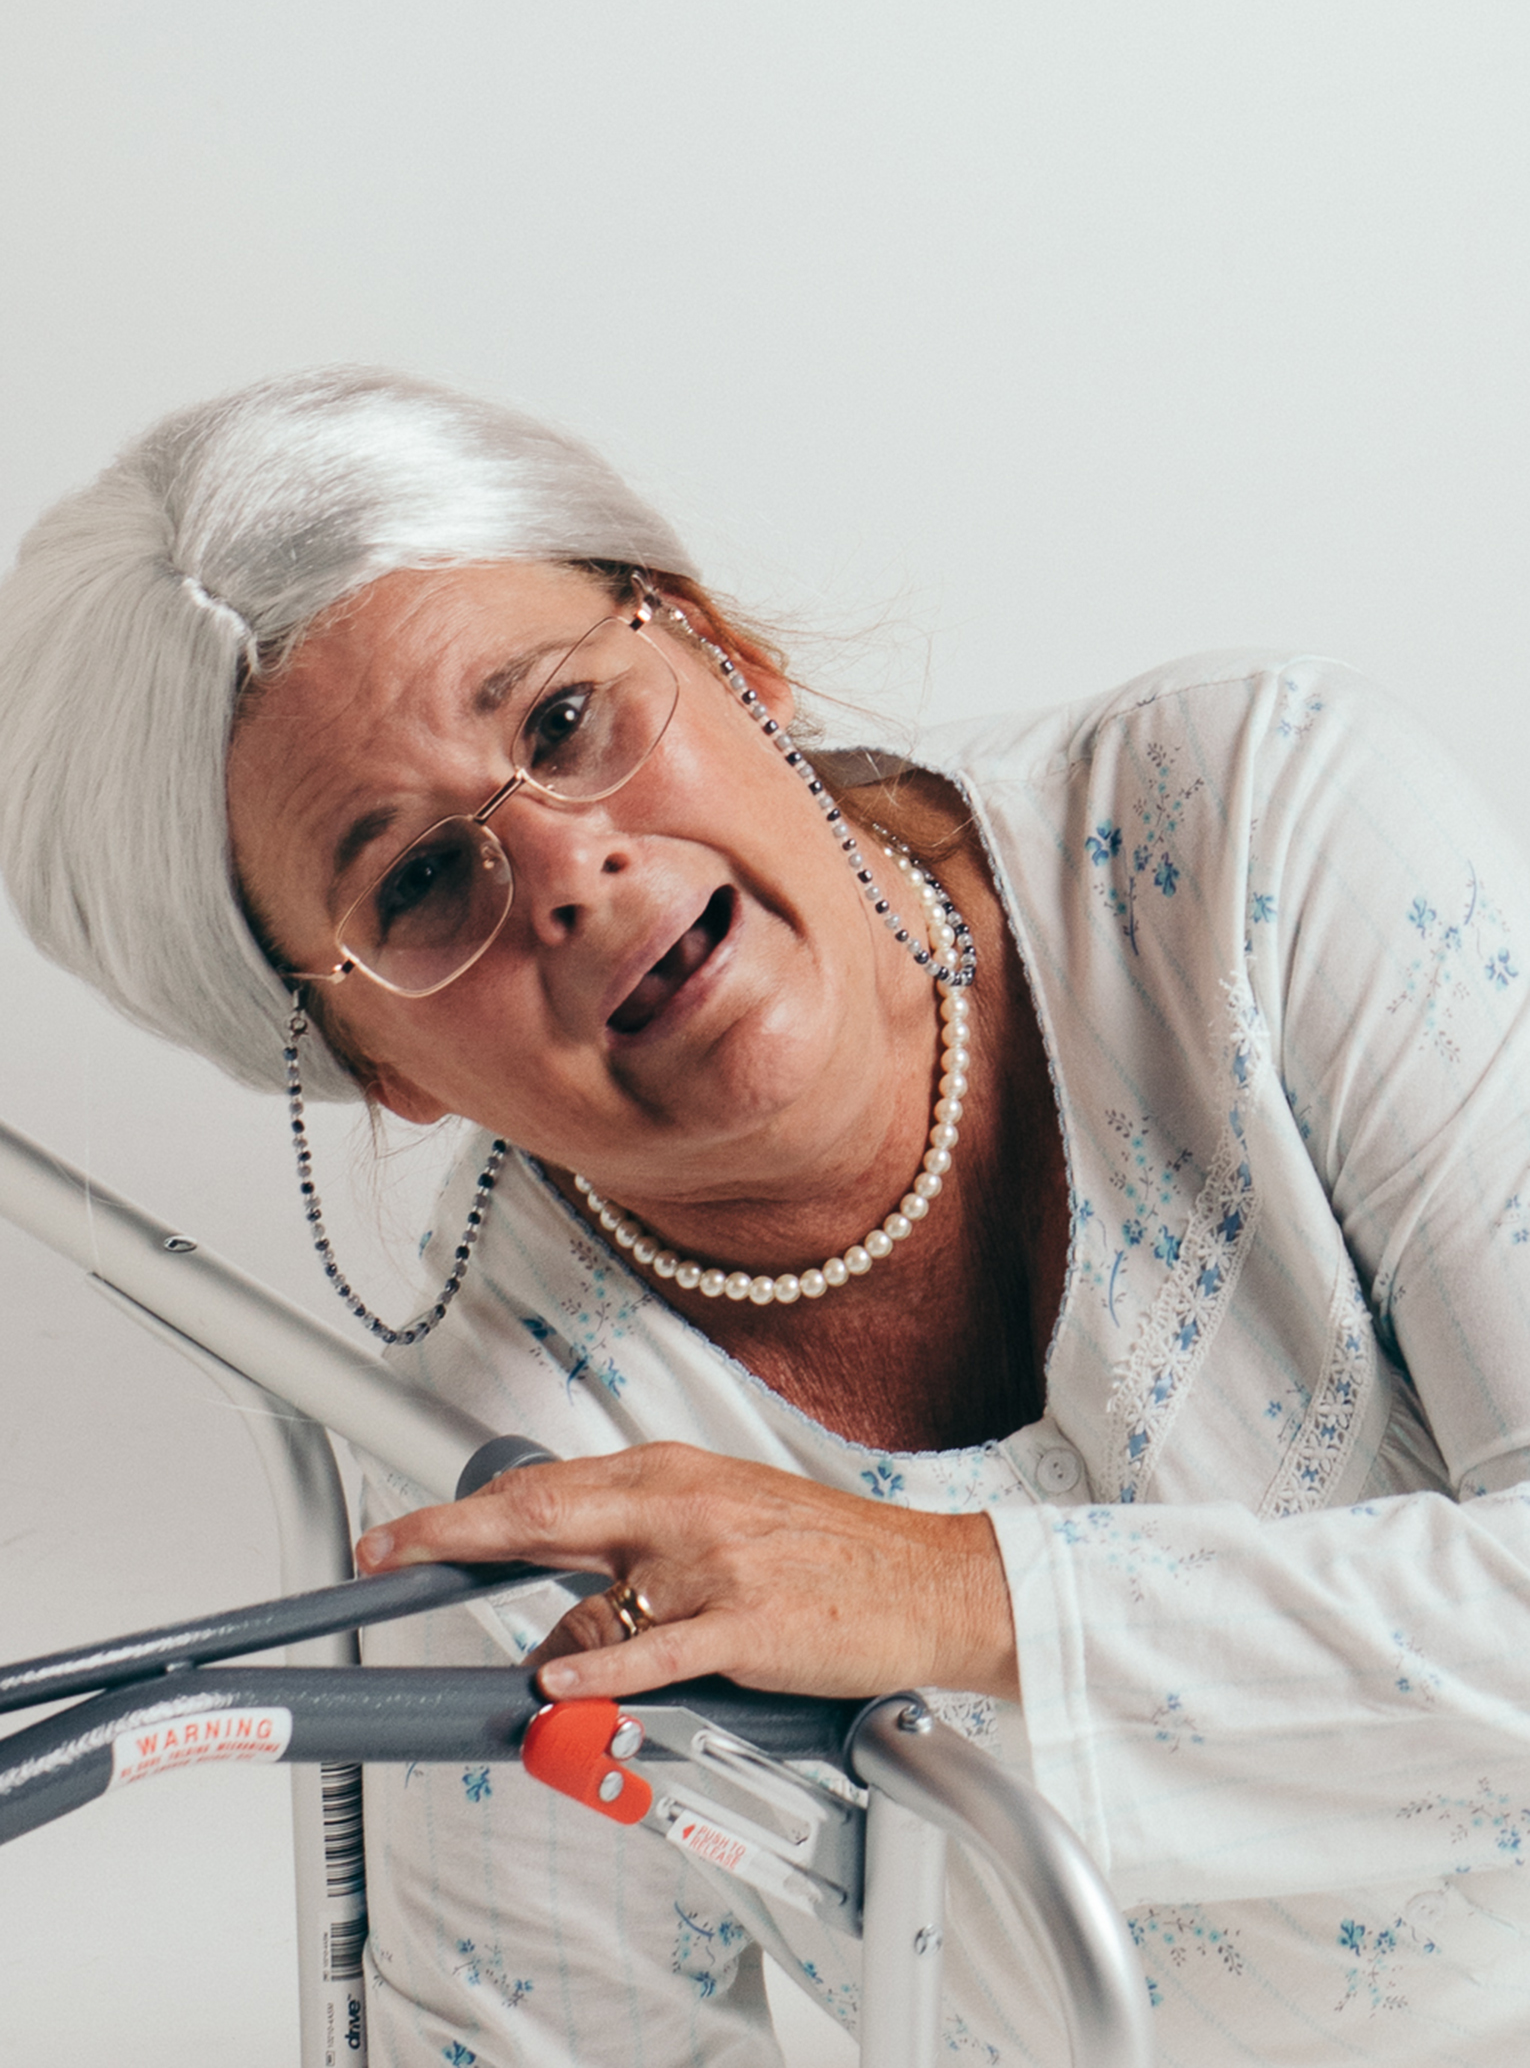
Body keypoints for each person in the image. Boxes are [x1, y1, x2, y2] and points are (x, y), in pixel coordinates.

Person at [2, 367, 1528, 2068]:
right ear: (373, 1061)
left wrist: (951, 1593)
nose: (571, 875)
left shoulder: (1255, 832)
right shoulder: (522, 1468)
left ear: (725, 653)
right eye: (421, 881)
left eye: (564, 721)